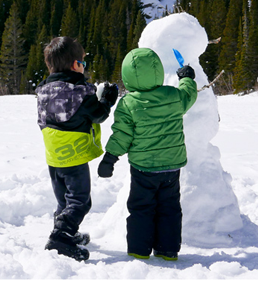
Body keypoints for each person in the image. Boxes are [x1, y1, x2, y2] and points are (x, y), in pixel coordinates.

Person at [97, 47, 197, 261]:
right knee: (169, 208)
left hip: (144, 169)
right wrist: (187, 77)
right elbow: (189, 94)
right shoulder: (173, 96)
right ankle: (168, 250)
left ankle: (138, 250)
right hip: (172, 166)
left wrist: (110, 158)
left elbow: (122, 136)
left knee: (141, 208)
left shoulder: (128, 103)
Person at [36, 36, 119, 261]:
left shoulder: (43, 90)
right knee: (80, 200)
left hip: (53, 156)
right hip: (74, 155)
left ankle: (64, 231)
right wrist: (108, 101)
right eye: (83, 62)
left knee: (63, 199)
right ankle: (60, 237)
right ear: (76, 65)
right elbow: (98, 115)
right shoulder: (80, 92)